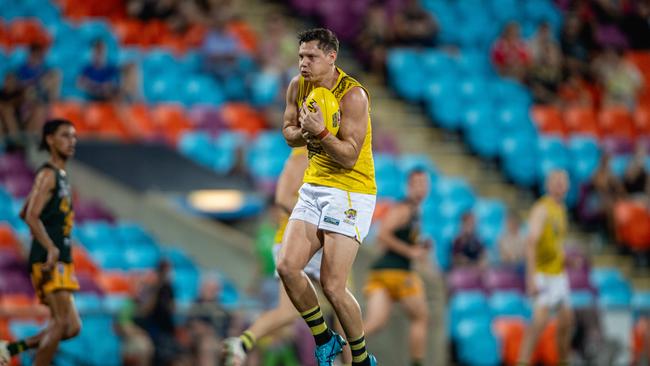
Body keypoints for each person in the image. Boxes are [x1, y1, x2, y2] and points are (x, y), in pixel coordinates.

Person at [277, 28, 377, 366]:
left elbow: (349, 156)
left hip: (351, 190)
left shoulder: (353, 96)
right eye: (301, 56)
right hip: (315, 185)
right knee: (287, 266)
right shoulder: (298, 86)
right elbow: (288, 131)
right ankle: (325, 339)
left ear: (331, 57)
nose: (303, 63)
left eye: (311, 57)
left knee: (332, 285)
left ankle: (362, 358)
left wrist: (319, 132)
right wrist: (304, 131)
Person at [222, 147, 352, 366]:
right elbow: (283, 199)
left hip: (296, 238)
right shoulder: (302, 157)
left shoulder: (313, 156)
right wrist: (324, 219)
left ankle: (243, 342)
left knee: (289, 312)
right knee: (342, 300)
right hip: (301, 238)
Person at [0, 119, 81, 366]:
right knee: (59, 323)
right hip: (50, 256)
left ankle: (12, 347)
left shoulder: (61, 176)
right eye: (65, 136)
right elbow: (32, 216)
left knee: (72, 327)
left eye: (74, 136)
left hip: (61, 255)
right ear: (49, 139)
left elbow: (26, 210)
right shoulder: (47, 174)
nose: (71, 141)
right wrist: (50, 246)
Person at [363, 169, 431, 366]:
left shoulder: (414, 211)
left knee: (376, 322)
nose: (421, 188)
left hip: (380, 274)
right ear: (409, 186)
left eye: (424, 184)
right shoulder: (404, 208)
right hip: (397, 273)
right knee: (421, 316)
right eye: (417, 183)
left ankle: (344, 352)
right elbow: (382, 234)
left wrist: (417, 249)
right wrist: (410, 252)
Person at [517, 170, 574, 365]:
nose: (560, 185)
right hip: (543, 274)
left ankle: (563, 361)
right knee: (538, 324)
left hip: (558, 273)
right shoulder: (542, 209)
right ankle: (522, 361)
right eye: (556, 181)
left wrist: (565, 259)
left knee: (567, 321)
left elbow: (556, 242)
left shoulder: (561, 209)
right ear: (548, 185)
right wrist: (530, 278)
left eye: (563, 182)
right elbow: (531, 242)